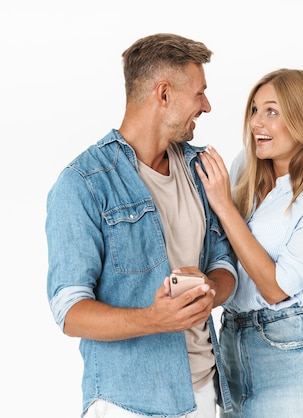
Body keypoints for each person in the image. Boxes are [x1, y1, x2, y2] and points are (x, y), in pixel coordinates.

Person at [45, 33, 238, 418]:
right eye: (199, 93)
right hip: (128, 403)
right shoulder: (83, 183)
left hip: (205, 393)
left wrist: (210, 290)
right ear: (163, 94)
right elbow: (70, 311)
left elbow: (225, 264)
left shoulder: (202, 169)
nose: (207, 105)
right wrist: (155, 319)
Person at [196, 68, 303, 418]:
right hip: (230, 344)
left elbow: (276, 288)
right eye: (254, 110)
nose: (256, 122)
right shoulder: (243, 169)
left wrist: (224, 205)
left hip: (288, 350)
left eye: (271, 111)